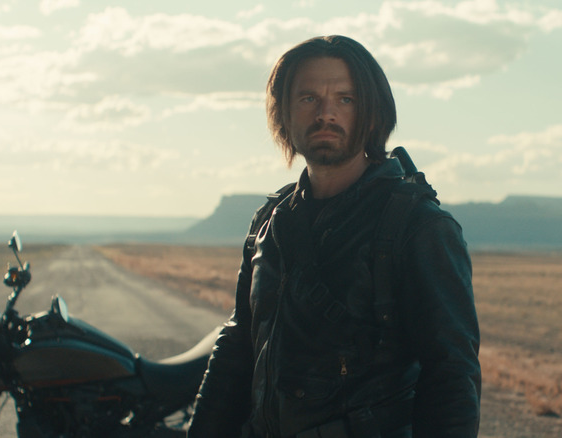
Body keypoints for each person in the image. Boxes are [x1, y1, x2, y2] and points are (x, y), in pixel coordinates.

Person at [188, 35, 480, 438]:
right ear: (284, 114)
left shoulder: (419, 227)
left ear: (374, 114)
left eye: (346, 99)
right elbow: (238, 349)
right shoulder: (269, 222)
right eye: (308, 98)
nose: (326, 113)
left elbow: (452, 377)